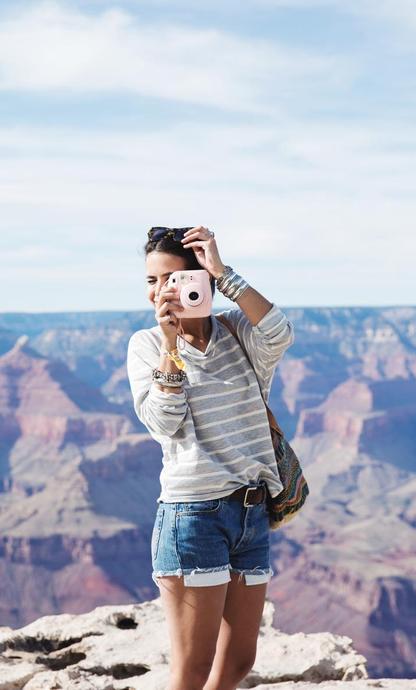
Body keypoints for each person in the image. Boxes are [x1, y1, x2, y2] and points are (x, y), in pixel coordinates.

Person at [126, 225, 295, 690]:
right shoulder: (145, 346)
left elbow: (280, 331)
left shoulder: (239, 333)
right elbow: (164, 421)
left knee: (239, 660)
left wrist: (226, 274)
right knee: (193, 669)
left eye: (173, 278)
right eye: (151, 281)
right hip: (193, 516)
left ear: (201, 279)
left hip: (251, 513)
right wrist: (170, 346)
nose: (162, 291)